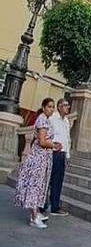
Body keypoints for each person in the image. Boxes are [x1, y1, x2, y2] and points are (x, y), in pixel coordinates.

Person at [16, 98, 62, 228]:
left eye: (53, 107)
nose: (51, 109)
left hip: (44, 158)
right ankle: (34, 217)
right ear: (43, 107)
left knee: (39, 186)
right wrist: (54, 145)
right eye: (49, 106)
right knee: (35, 186)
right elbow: (42, 141)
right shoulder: (42, 119)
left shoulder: (46, 120)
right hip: (39, 159)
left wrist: (53, 144)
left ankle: (35, 213)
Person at [41, 97, 71, 217]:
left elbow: (67, 139)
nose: (67, 107)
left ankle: (55, 206)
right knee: (48, 179)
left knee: (58, 181)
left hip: (62, 154)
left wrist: (67, 155)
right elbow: (46, 134)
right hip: (53, 152)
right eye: (65, 105)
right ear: (59, 107)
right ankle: (41, 204)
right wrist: (52, 146)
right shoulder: (52, 118)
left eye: (68, 105)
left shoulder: (67, 121)